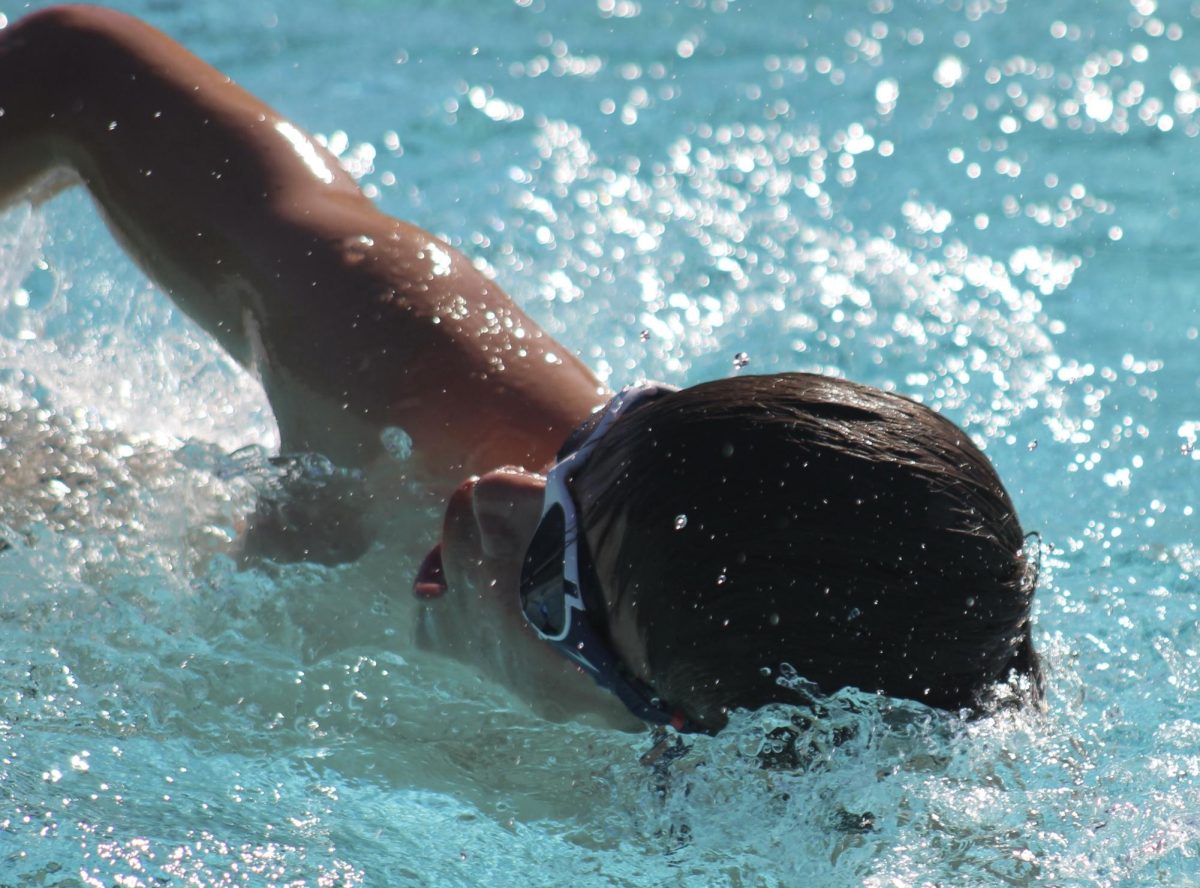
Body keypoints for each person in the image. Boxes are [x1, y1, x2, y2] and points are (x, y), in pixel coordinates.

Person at [0, 6, 1042, 734]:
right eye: (583, 461)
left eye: (551, 582)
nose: (489, 498)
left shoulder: (769, 840)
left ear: (674, 730)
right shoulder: (411, 389)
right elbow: (73, 71)